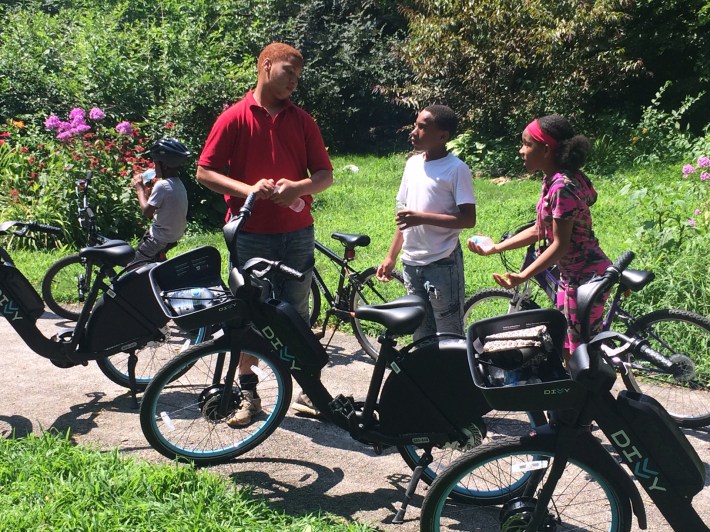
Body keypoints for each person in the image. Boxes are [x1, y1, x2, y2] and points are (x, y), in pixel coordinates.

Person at [196, 42, 333, 426]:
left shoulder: (303, 120)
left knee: (297, 312)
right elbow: (204, 172)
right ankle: (249, 394)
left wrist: (299, 188)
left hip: (297, 233)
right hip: (251, 234)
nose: (294, 81)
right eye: (288, 71)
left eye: (298, 75)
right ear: (266, 65)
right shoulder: (235, 117)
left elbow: (325, 176)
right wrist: (248, 190)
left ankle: (309, 390)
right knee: (247, 315)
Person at [468, 114, 611, 359]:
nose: (521, 150)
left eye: (527, 143)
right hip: (575, 274)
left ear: (546, 150)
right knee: (566, 344)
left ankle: (590, 396)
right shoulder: (557, 179)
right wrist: (496, 248)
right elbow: (538, 230)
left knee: (581, 356)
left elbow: (560, 245)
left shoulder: (561, 187)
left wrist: (523, 275)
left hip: (583, 278)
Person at [376, 104, 476, 340]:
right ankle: (426, 377)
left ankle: (449, 377)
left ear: (443, 136)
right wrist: (391, 256)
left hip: (442, 263)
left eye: (422, 127)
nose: (414, 131)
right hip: (411, 263)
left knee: (449, 334)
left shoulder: (456, 169)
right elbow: (404, 216)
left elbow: (468, 219)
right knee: (420, 333)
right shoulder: (412, 164)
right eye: (415, 124)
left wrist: (421, 217)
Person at [131, 137, 190, 264]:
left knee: (133, 267)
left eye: (155, 162)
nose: (153, 166)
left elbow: (147, 213)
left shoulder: (162, 185)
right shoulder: (178, 183)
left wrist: (140, 189)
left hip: (158, 238)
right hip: (172, 237)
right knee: (153, 264)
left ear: (164, 164)